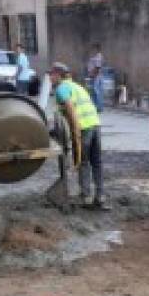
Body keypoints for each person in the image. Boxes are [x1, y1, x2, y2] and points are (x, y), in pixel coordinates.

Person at [49, 62, 104, 209]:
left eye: (52, 74)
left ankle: (85, 196)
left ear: (59, 75)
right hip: (95, 125)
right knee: (96, 162)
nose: (50, 77)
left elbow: (71, 109)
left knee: (83, 161)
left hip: (83, 127)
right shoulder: (77, 86)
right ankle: (100, 195)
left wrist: (76, 130)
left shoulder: (61, 89)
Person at [86, 42, 105, 111]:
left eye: (93, 48)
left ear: (97, 49)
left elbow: (97, 67)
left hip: (96, 76)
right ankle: (96, 106)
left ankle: (98, 107)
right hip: (95, 76)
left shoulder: (98, 56)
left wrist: (93, 74)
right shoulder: (95, 56)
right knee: (94, 91)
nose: (92, 50)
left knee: (97, 91)